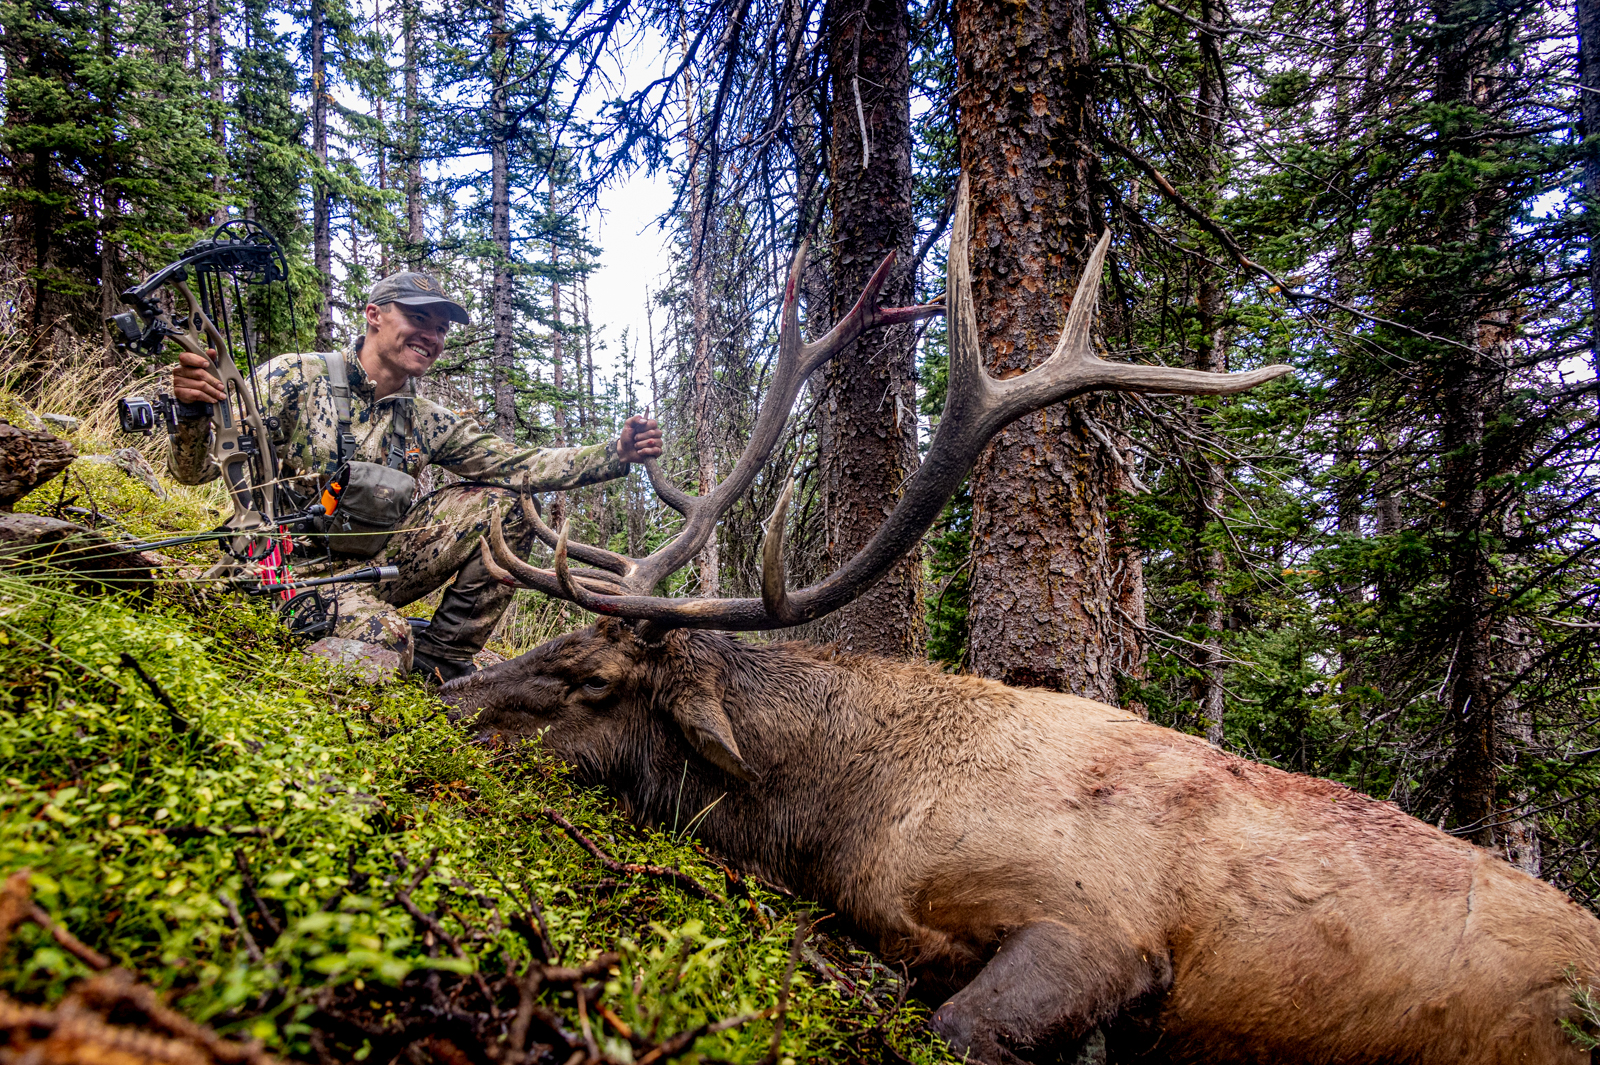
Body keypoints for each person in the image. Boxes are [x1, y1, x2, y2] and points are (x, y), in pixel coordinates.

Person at [167, 271, 662, 682]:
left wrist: (615, 452)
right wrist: (190, 413)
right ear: (374, 315)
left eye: (442, 328)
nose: (432, 335)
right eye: (418, 318)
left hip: (371, 570)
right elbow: (195, 472)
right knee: (388, 637)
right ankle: (373, 641)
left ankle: (444, 656)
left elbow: (518, 464)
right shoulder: (292, 377)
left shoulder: (426, 418)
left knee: (507, 502)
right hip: (277, 572)